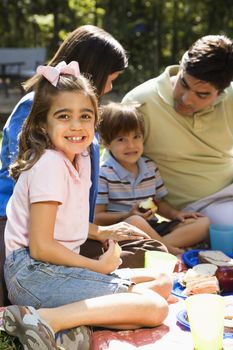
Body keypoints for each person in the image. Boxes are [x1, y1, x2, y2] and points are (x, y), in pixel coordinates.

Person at [3, 63, 172, 350]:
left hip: (55, 267)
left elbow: (64, 223)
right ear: (44, 124)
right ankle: (46, 319)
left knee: (161, 280)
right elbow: (41, 247)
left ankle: (73, 324)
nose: (76, 125)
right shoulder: (50, 164)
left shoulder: (79, 159)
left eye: (85, 116)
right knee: (155, 307)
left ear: (96, 121)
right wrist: (97, 267)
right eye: (64, 116)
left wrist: (103, 232)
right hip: (33, 273)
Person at [122, 34, 233, 225]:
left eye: (202, 94)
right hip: (188, 209)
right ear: (181, 67)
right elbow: (113, 164)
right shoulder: (140, 102)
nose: (186, 99)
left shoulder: (230, 99)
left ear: (221, 92)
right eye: (184, 84)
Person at [95, 102, 209, 255]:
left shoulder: (149, 167)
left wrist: (176, 214)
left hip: (153, 228)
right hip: (125, 230)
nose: (131, 145)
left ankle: (160, 247)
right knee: (136, 221)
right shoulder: (104, 174)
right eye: (121, 139)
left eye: (136, 137)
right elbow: (97, 218)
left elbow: (159, 203)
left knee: (203, 223)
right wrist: (128, 215)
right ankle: (170, 250)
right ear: (106, 143)